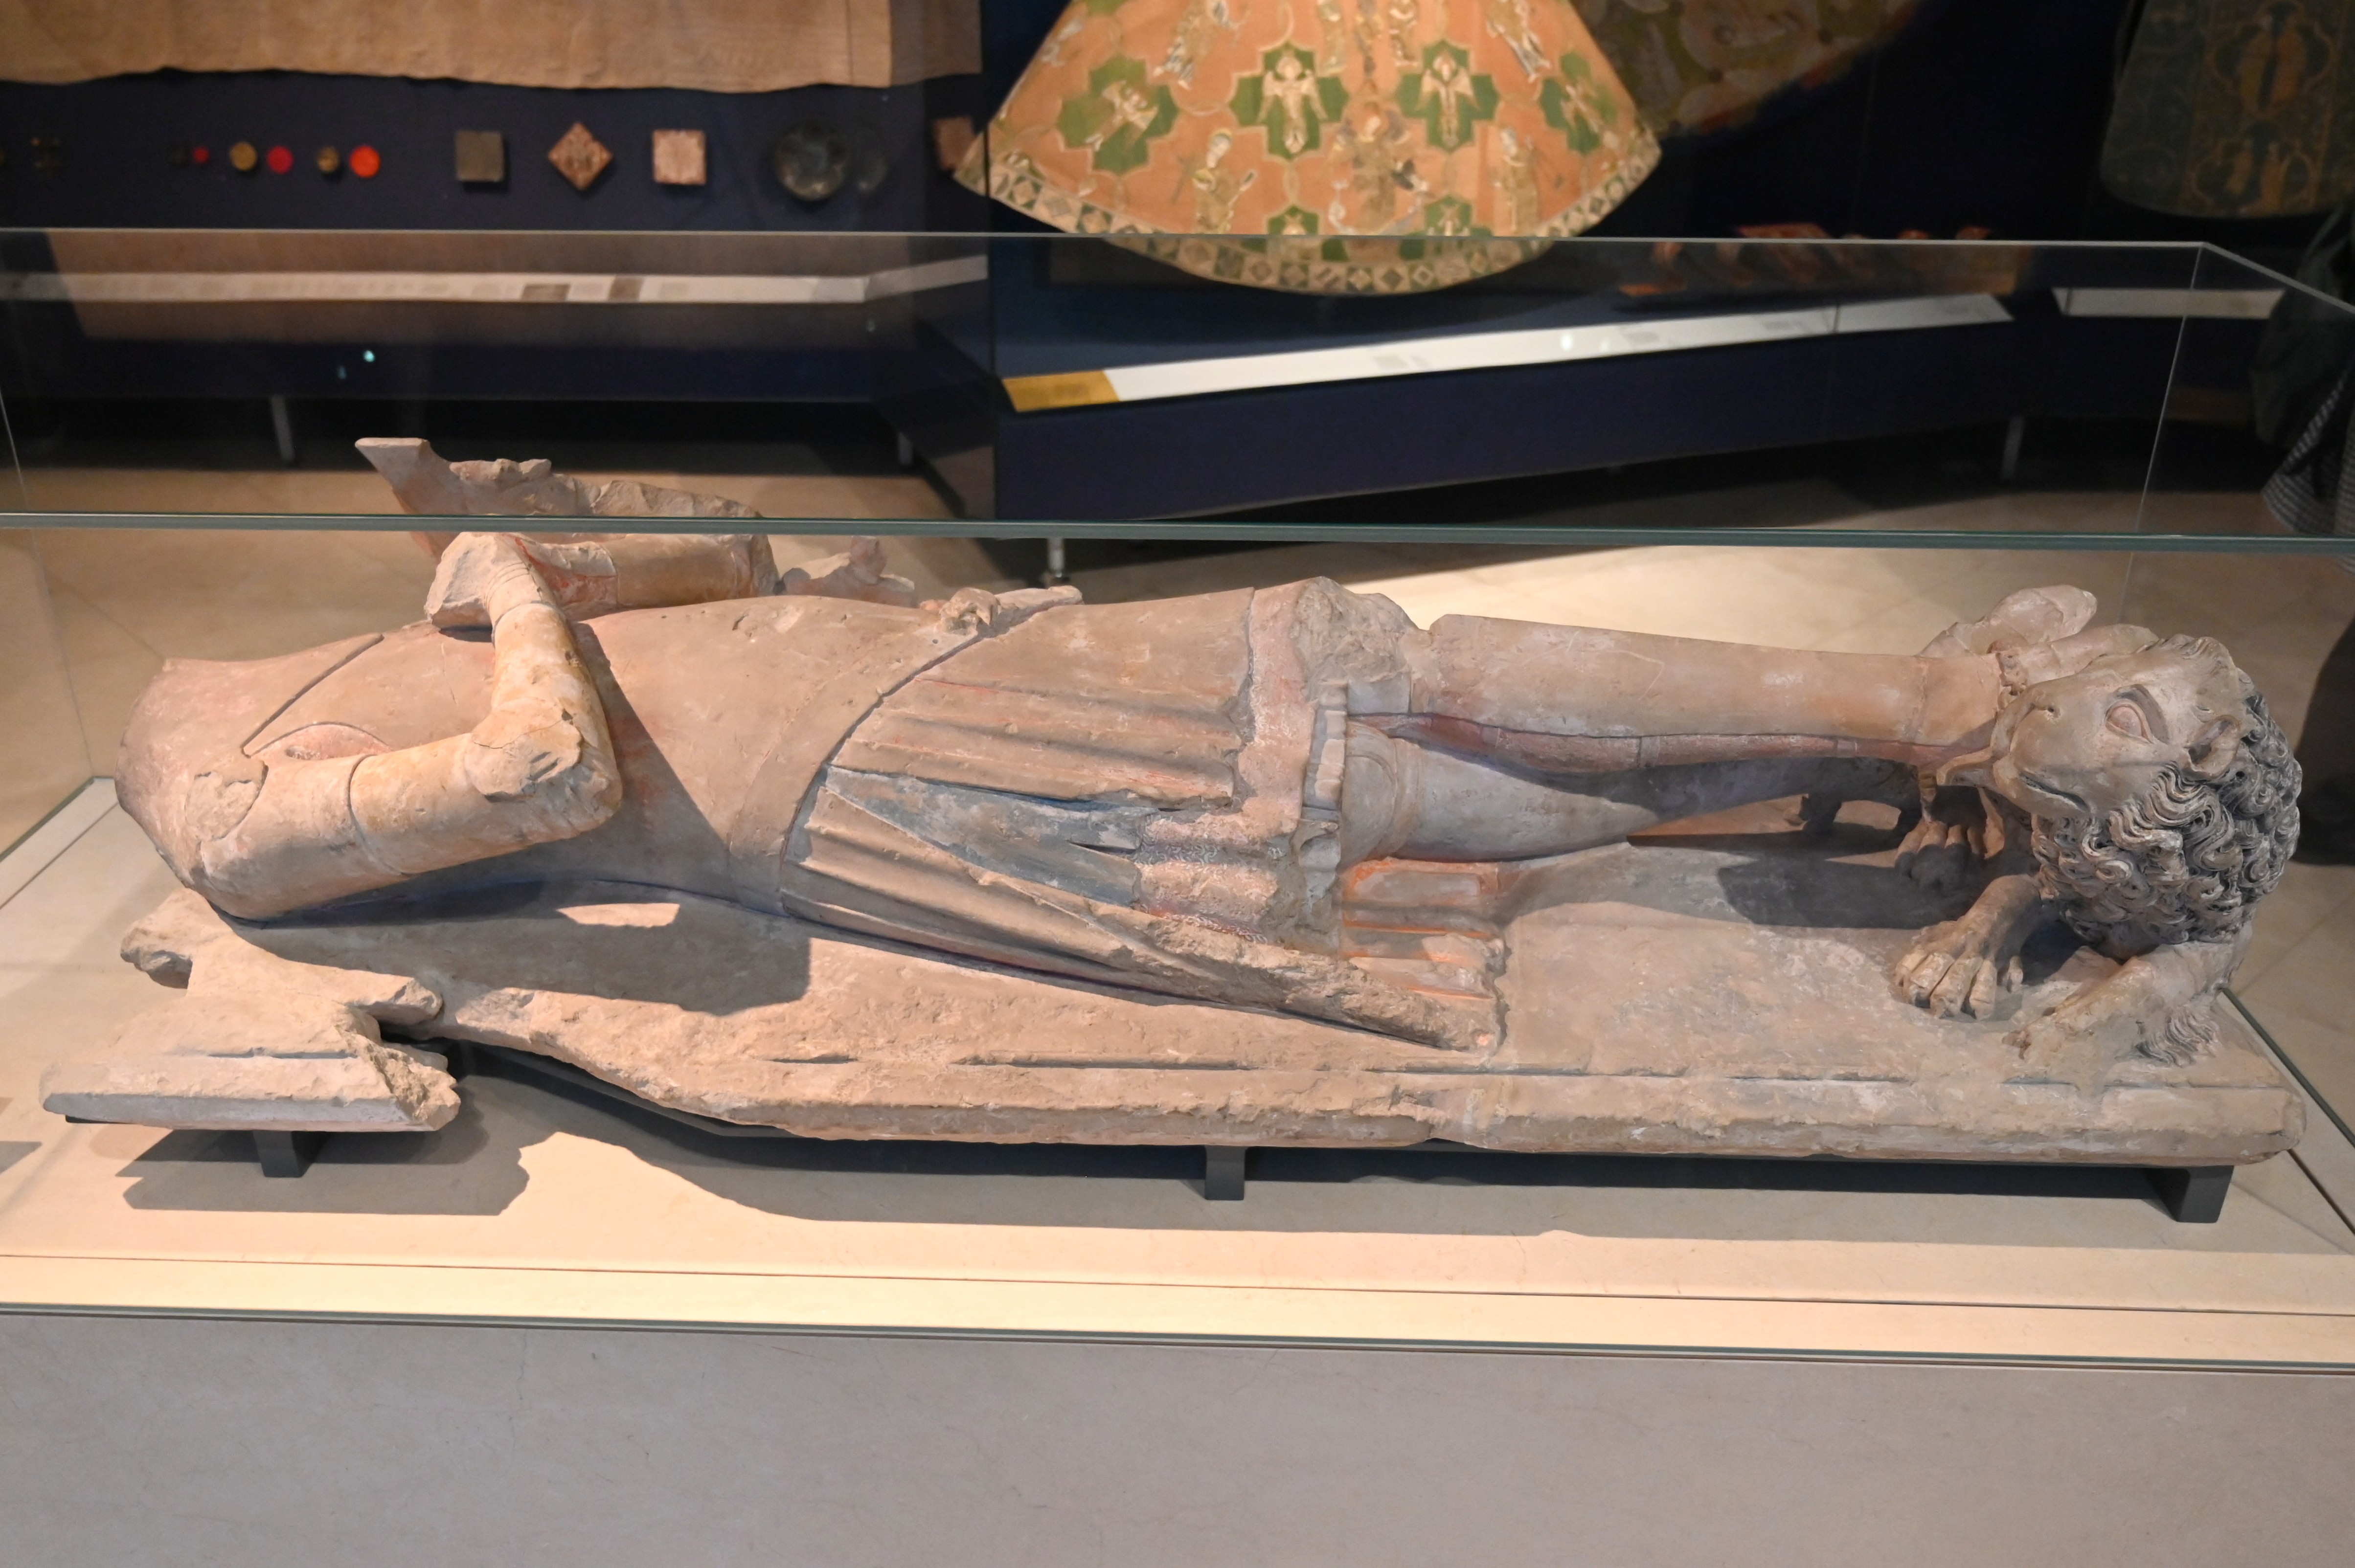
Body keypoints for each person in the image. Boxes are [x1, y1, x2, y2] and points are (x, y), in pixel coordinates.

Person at [114, 441, 2297, 1069]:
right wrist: (514, 582)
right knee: (1373, 759)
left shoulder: (294, 673)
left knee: (1387, 680)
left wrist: (571, 545)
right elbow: (544, 779)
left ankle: (1938, 750)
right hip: (868, 787)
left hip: (899, 666)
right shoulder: (232, 819)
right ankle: (1948, 758)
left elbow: (725, 583)